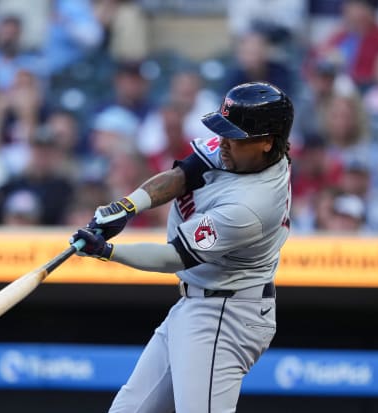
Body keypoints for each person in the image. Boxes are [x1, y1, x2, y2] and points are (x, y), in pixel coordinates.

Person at [70, 82, 293, 412]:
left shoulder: (252, 205)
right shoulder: (246, 153)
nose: (225, 144)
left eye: (235, 137)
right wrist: (128, 206)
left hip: (226, 314)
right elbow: (185, 173)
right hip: (199, 303)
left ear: (266, 142)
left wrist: (107, 252)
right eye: (225, 133)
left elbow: (174, 257)